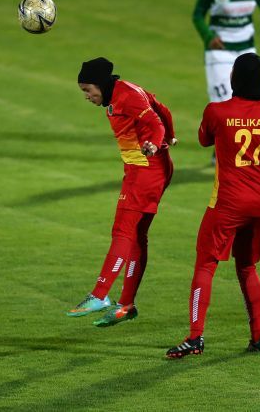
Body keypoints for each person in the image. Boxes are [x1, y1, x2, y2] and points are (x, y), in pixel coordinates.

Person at [165, 53, 260, 359]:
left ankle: (195, 338)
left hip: (229, 202)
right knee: (247, 266)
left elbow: (204, 139)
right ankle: (259, 337)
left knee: (206, 263)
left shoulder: (217, 111)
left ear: (234, 78)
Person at [67, 57, 176, 327]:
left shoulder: (128, 96)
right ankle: (126, 305)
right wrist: (171, 136)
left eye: (88, 90)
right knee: (137, 237)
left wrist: (157, 142)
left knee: (123, 231)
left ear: (100, 84)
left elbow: (156, 122)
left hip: (146, 170)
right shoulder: (125, 91)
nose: (87, 96)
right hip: (147, 169)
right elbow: (162, 108)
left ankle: (99, 294)